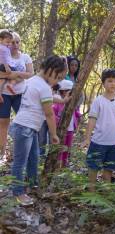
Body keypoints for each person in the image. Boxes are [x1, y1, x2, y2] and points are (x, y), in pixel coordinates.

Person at [9, 55, 65, 205]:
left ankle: (33, 184)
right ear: (51, 70)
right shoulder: (44, 87)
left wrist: (63, 100)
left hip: (29, 128)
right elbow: (49, 114)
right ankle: (18, 192)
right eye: (57, 77)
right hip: (24, 127)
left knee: (34, 157)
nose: (57, 81)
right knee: (20, 162)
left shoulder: (33, 80)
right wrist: (53, 134)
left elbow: (44, 98)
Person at [81, 68, 115, 192]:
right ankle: (91, 191)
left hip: (114, 144)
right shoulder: (98, 101)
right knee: (93, 168)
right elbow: (92, 120)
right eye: (110, 81)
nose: (113, 84)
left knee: (108, 171)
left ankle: (106, 193)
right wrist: (87, 138)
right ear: (103, 83)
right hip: (98, 142)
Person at [0, 31, 34, 158]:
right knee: (3, 121)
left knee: (23, 122)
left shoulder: (25, 57)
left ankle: (21, 151)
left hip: (20, 94)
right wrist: (12, 75)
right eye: (12, 42)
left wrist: (15, 75)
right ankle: (2, 152)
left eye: (17, 42)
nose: (15, 44)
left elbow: (30, 73)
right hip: (4, 94)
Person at [53, 80, 81, 168]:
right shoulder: (58, 104)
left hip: (70, 130)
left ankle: (64, 166)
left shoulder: (72, 104)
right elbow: (53, 116)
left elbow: (77, 114)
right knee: (60, 148)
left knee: (67, 148)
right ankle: (58, 165)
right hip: (61, 130)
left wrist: (78, 120)